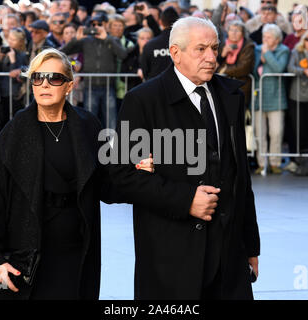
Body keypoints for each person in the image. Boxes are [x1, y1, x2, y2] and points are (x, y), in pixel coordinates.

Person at [0, 48, 153, 300]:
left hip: (76, 249)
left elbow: (104, 184)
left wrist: (136, 172)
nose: (44, 84)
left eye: (54, 78)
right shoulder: (12, 135)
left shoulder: (87, 125)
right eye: (37, 77)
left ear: (69, 86)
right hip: (27, 252)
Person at [109, 17, 260, 300]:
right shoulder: (143, 101)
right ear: (175, 53)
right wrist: (185, 199)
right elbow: (121, 174)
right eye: (200, 49)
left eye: (215, 48)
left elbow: (240, 176)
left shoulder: (230, 96)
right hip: (171, 256)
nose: (211, 57)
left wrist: (251, 246)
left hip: (228, 256)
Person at [61, 11, 131, 129]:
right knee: (90, 120)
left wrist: (107, 38)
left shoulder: (112, 40)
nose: (96, 27)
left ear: (105, 25)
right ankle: (90, 145)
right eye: (93, 24)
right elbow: (62, 52)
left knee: (111, 121)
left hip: (108, 86)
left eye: (99, 24)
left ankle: (113, 146)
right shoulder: (85, 41)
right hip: (90, 86)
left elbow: (123, 55)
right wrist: (75, 39)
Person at [253, 24, 289, 175]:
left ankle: (275, 163)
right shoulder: (257, 49)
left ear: (276, 39)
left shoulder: (283, 50)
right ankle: (262, 163)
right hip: (259, 96)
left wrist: (267, 55)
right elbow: (253, 70)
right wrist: (260, 59)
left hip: (276, 96)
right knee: (260, 133)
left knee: (276, 132)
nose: (264, 40)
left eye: (268, 37)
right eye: (264, 37)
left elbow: (279, 68)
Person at [216, 20, 255, 107]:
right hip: (223, 86)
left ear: (242, 33)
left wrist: (223, 70)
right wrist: (222, 55)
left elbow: (243, 68)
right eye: (231, 30)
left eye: (237, 30)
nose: (234, 33)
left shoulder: (248, 46)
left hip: (241, 87)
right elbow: (215, 63)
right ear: (227, 32)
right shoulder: (221, 45)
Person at [0, 27, 28, 127]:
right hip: (4, 91)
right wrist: (1, 57)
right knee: (4, 119)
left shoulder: (23, 55)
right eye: (9, 38)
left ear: (20, 42)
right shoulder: (7, 51)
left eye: (13, 39)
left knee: (15, 121)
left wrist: (13, 61)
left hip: (15, 93)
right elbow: (0, 70)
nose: (10, 41)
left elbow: (16, 75)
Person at [140, 6, 179, 81]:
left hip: (154, 86)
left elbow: (145, 69)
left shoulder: (150, 45)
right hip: (177, 86)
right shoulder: (184, 43)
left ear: (160, 22)